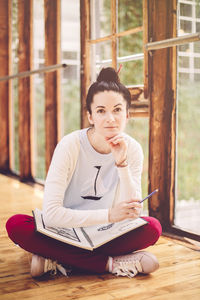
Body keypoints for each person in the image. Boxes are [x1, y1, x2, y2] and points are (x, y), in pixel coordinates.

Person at [6, 67, 162, 278]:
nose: (110, 119)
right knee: (16, 224)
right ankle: (110, 264)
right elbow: (51, 214)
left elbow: (133, 210)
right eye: (100, 111)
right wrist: (108, 214)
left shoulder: (132, 149)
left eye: (117, 110)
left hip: (105, 233)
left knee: (153, 227)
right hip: (65, 230)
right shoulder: (70, 145)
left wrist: (122, 164)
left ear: (127, 114)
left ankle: (57, 260)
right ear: (90, 116)